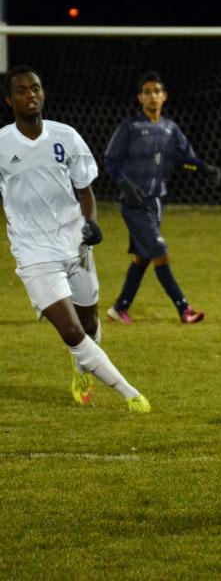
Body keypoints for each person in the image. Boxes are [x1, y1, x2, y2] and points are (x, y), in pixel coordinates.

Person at [0, 65, 150, 412]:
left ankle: (81, 368)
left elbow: (84, 188)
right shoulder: (3, 144)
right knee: (70, 331)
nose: (31, 95)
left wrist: (91, 222)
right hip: (34, 252)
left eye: (35, 88)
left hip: (73, 244)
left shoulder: (65, 136)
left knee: (89, 322)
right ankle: (130, 394)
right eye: (22, 90)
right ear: (9, 100)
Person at [104, 71, 221, 325]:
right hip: (135, 203)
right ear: (139, 97)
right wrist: (125, 185)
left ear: (164, 96)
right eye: (147, 92)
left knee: (144, 256)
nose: (152, 96)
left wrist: (203, 167)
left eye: (156, 91)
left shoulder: (170, 128)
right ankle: (184, 309)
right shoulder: (130, 128)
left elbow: (183, 157)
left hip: (156, 201)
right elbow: (111, 161)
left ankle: (119, 308)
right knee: (160, 251)